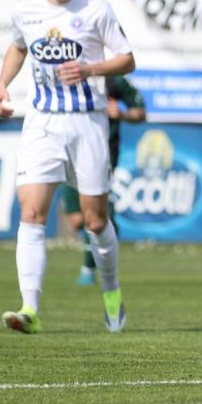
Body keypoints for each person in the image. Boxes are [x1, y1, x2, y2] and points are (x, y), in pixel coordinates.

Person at [0, 0, 135, 335]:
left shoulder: (95, 10)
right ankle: (29, 309)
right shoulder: (26, 13)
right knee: (31, 213)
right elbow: (18, 47)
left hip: (87, 123)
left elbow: (128, 59)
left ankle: (111, 293)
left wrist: (90, 70)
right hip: (42, 123)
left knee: (95, 220)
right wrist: (2, 84)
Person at [64, 75, 146, 286]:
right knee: (76, 218)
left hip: (102, 154)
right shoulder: (66, 75)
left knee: (95, 216)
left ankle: (89, 270)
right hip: (69, 151)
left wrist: (123, 114)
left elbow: (140, 112)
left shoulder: (113, 81)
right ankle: (110, 230)